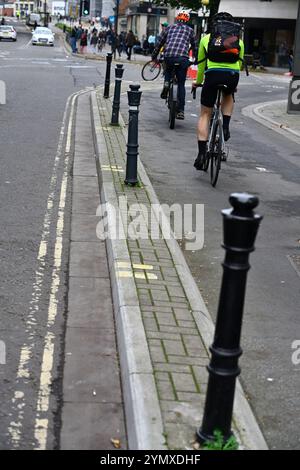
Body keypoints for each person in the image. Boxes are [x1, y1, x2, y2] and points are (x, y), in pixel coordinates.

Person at [193, 12, 244, 170]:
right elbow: (239, 65)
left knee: (205, 114)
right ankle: (226, 126)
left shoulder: (206, 39)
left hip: (212, 76)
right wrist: (233, 83)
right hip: (231, 76)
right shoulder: (238, 41)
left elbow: (201, 66)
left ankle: (201, 154)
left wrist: (198, 82)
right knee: (229, 94)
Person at [152, 11, 196, 120]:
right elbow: (195, 46)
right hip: (183, 59)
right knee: (181, 84)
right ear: (187, 20)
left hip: (169, 56)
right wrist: (195, 59)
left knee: (168, 70)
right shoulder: (190, 30)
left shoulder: (169, 28)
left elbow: (159, 43)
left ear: (177, 19)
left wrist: (154, 56)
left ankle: (167, 83)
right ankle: (181, 111)